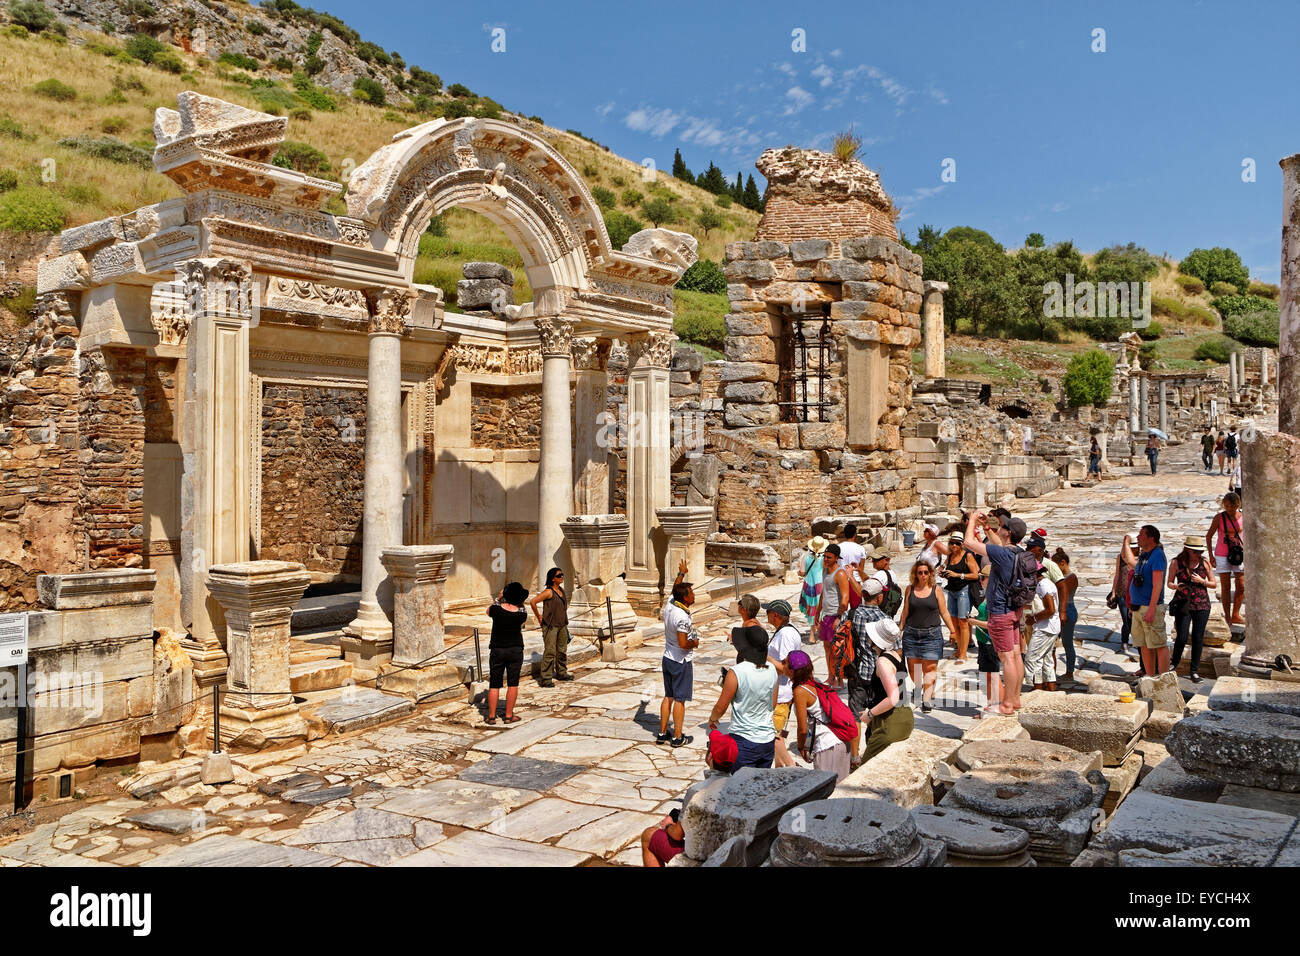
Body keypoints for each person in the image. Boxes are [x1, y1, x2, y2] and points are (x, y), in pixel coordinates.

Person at [963, 511, 1029, 714]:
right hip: (1014, 609)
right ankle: (1015, 699)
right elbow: (997, 545)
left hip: (1000, 611)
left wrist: (972, 520)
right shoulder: (1017, 552)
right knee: (1016, 655)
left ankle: (1007, 704)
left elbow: (968, 543)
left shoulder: (1002, 554)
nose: (999, 527)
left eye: (1002, 526)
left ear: (1008, 533)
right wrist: (987, 529)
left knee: (1007, 657)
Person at [898, 559, 956, 712]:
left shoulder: (936, 590)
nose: (923, 575)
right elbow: (905, 611)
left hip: (931, 635)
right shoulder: (910, 589)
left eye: (926, 572)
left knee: (930, 668)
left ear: (930, 573)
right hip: (911, 634)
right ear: (915, 574)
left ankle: (927, 700)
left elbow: (944, 612)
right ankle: (918, 688)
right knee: (914, 669)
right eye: (920, 572)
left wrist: (953, 631)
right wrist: (900, 629)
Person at [708, 643, 778, 770]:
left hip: (744, 740)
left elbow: (720, 708)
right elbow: (772, 704)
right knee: (760, 786)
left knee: (739, 786)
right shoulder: (772, 669)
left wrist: (712, 719)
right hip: (767, 740)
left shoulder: (736, 671)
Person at [788, 650, 852, 781]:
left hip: (827, 746)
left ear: (792, 670)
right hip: (842, 742)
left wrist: (801, 747)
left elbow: (802, 729)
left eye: (785, 663)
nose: (782, 666)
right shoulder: (816, 685)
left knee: (825, 792)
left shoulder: (800, 691)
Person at [846, 577, 887, 767]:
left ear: (863, 595)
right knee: (875, 713)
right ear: (878, 598)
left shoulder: (853, 615)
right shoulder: (885, 619)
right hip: (880, 674)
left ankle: (854, 756)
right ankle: (873, 752)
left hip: (858, 672)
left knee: (855, 714)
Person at [658, 560, 699, 748]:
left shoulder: (671, 605)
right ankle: (677, 736)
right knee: (680, 700)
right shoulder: (681, 617)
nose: (694, 595)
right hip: (680, 661)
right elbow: (683, 643)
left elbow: (675, 588)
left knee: (668, 696)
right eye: (691, 593)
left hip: (667, 657)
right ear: (685, 599)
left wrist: (681, 573)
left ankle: (661, 732)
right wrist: (694, 643)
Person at [860, 620, 913, 762]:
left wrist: (869, 715)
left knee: (867, 766)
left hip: (891, 722)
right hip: (903, 715)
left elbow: (893, 698)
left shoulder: (882, 662)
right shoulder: (895, 654)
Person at [1122, 525, 1169, 676]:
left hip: (1150, 607)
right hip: (1137, 607)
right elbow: (1127, 559)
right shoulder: (1143, 556)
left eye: (1141, 535)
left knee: (1159, 644)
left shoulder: (1157, 555)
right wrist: (1126, 542)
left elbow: (1157, 585)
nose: (1138, 537)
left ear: (1151, 538)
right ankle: (1150, 676)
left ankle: (1163, 678)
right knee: (1143, 645)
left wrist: (1151, 609)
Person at [1168, 535, 1215, 683]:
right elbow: (1169, 582)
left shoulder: (1205, 563)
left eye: (1200, 552)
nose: (1198, 554)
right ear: (1188, 550)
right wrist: (1177, 586)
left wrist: (1202, 581)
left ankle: (1194, 670)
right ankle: (1173, 663)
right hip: (1184, 603)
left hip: (1202, 604)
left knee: (1197, 638)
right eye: (1195, 552)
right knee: (1181, 637)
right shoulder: (1176, 563)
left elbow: (1214, 584)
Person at [764, 600, 803, 768]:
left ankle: (791, 766)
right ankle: (782, 768)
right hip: (778, 692)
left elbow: (785, 668)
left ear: (775, 615)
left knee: (773, 738)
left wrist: (765, 656)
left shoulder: (786, 635)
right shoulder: (785, 630)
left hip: (781, 694)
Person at [485, 582, 529, 725]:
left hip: (498, 649)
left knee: (494, 684)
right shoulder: (522, 613)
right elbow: (522, 609)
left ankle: (491, 716)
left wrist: (499, 597)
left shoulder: (496, 610)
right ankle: (509, 716)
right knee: (513, 683)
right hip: (515, 649)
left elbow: (488, 610)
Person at [1206, 492, 1245, 628]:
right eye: (1227, 506)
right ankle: (1227, 616)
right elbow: (1209, 536)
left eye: (1232, 506)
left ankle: (1236, 614)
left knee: (1241, 585)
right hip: (1222, 554)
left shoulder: (1243, 517)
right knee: (1226, 586)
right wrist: (1211, 555)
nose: (1229, 509)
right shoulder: (1219, 518)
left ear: (1237, 505)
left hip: (1239, 554)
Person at [968, 567, 1003, 716]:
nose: (980, 581)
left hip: (990, 642)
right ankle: (991, 705)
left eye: (982, 578)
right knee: (988, 675)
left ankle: (996, 706)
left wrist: (974, 622)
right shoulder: (989, 595)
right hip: (983, 641)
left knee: (993, 675)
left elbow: (993, 624)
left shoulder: (995, 597)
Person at [529, 567, 571, 686]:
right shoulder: (548, 592)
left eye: (562, 575)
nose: (562, 577)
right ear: (553, 579)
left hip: (562, 624)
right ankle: (546, 678)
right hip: (551, 626)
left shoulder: (561, 590)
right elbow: (533, 602)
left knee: (562, 650)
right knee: (550, 651)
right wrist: (539, 617)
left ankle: (562, 673)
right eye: (559, 576)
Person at [940, 535, 979, 662]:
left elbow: (975, 575)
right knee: (954, 621)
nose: (954, 546)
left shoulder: (967, 555)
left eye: (957, 543)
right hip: (952, 590)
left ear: (962, 544)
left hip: (964, 590)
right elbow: (947, 570)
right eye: (952, 543)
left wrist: (958, 575)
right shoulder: (950, 556)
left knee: (963, 622)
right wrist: (945, 574)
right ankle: (959, 650)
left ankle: (964, 654)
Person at [817, 543, 852, 685]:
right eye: (824, 556)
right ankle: (831, 675)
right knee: (827, 647)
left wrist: (838, 617)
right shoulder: (825, 571)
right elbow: (823, 593)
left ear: (836, 558)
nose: (825, 559)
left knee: (836, 649)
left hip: (836, 615)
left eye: (828, 557)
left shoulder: (841, 574)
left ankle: (838, 678)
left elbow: (845, 598)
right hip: (826, 615)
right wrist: (817, 613)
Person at [1024, 562, 1060, 691]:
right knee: (1046, 660)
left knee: (1032, 659)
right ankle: (1048, 690)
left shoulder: (1044, 585)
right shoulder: (1043, 584)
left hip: (1045, 628)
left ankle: (1036, 691)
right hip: (1049, 627)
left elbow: (1051, 609)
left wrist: (1033, 619)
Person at [1052, 548, 1080, 683]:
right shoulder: (1062, 577)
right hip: (1058, 610)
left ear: (1062, 563)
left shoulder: (1071, 577)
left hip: (1067, 610)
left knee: (1067, 643)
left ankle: (1069, 672)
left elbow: (1060, 592)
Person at [799, 535, 828, 637]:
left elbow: (802, 572)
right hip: (820, 584)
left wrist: (799, 572)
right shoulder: (824, 559)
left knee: (812, 609)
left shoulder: (805, 556)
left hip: (809, 585)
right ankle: (817, 632)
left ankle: (813, 634)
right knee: (819, 608)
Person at [730, 593, 769, 666]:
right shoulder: (756, 625)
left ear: (743, 610)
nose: (738, 604)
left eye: (740, 603)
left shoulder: (749, 628)